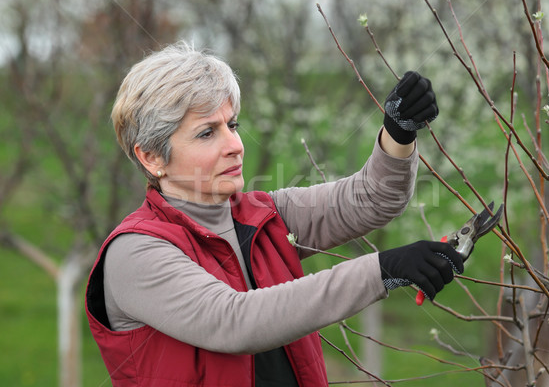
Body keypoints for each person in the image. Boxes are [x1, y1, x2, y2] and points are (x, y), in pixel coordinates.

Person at [85, 41, 463, 387]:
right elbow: (234, 321)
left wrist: (399, 131)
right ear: (151, 157)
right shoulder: (134, 253)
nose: (235, 145)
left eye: (232, 125)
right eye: (207, 133)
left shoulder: (264, 215)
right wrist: (383, 270)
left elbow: (372, 199)